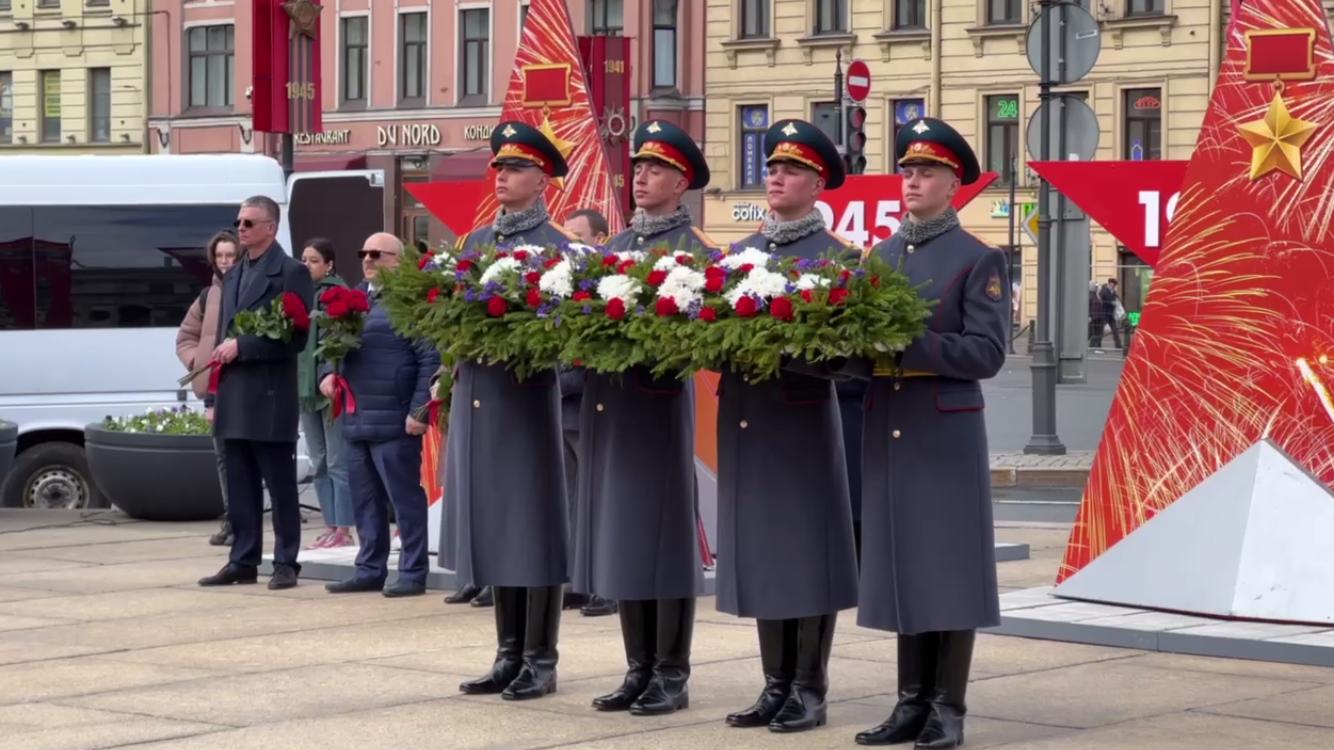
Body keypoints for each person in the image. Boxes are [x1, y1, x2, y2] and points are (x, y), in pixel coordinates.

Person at [854, 117, 1008, 748]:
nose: (912, 180)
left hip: (943, 432)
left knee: (946, 568)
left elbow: (987, 354)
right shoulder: (884, 255)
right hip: (891, 423)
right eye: (907, 171)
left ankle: (949, 707)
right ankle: (910, 701)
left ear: (953, 183)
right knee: (901, 566)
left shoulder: (978, 258)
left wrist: (911, 343)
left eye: (926, 172)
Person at [718, 119, 859, 734]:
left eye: (792, 170)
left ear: (818, 183)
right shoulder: (741, 254)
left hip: (801, 425)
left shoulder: (838, 259)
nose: (776, 177)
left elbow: (852, 357)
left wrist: (795, 351)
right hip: (748, 422)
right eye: (773, 168)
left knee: (807, 556)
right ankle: (774, 684)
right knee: (764, 554)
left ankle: (809, 686)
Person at [570, 120, 715, 716]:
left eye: (655, 170)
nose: (642, 178)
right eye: (639, 168)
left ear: (681, 182)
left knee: (665, 542)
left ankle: (671, 672)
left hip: (656, 410)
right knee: (626, 541)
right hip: (613, 408)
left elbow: (700, 338)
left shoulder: (694, 247)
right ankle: (638, 668)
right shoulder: (617, 247)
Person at [443, 120, 576, 701]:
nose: (501, 176)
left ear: (542, 178)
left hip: (528, 402)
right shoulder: (474, 245)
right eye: (497, 167)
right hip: (480, 397)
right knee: (498, 525)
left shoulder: (558, 249)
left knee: (533, 527)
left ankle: (539, 658)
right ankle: (507, 653)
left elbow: (569, 336)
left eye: (515, 168)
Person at [198, 195, 314, 590]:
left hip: (268, 394)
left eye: (249, 222)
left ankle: (285, 562)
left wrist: (244, 346)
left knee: (279, 486)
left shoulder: (291, 271)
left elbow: (297, 339)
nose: (241, 228)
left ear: (270, 227)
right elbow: (219, 339)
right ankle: (243, 559)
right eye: (238, 222)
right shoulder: (232, 274)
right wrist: (212, 396)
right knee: (240, 481)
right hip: (233, 391)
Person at [323, 232, 440, 598]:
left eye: (377, 253)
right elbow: (332, 345)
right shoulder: (355, 299)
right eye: (364, 252)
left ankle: (412, 571)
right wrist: (327, 371)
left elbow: (429, 359)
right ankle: (369, 568)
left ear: (398, 260)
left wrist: (420, 410)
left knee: (404, 500)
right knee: (366, 500)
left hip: (394, 418)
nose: (368, 259)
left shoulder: (410, 300)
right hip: (357, 417)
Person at [554, 206, 616, 620]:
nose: (570, 242)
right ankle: (579, 580)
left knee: (598, 500)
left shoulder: (606, 282)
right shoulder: (563, 281)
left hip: (592, 405)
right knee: (572, 501)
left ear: (599, 238)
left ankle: (604, 584)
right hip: (562, 407)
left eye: (578, 234)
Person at [176, 231, 238, 546]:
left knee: (243, 458)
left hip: (242, 387)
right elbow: (185, 336)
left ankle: (244, 521)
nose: (225, 261)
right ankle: (231, 520)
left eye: (230, 255)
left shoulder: (247, 289)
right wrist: (196, 363)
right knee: (223, 458)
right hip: (214, 389)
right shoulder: (206, 296)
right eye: (220, 256)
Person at [298, 238, 355, 550]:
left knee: (337, 461)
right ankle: (330, 525)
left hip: (330, 388)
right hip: (304, 389)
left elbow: (337, 342)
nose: (307, 265)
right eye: (304, 259)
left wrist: (329, 374)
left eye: (314, 260)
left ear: (330, 264)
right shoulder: (302, 295)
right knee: (317, 461)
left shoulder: (337, 293)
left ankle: (345, 530)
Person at [1099, 278, 1123, 349]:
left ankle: (1118, 345)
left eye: (1115, 285)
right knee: (1101, 330)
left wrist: (1118, 300)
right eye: (1113, 284)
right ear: (1110, 284)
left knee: (1115, 330)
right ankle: (1096, 344)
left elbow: (1116, 299)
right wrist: (1111, 303)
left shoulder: (1114, 292)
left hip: (1111, 314)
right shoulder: (1104, 291)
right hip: (1104, 313)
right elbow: (1101, 301)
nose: (1114, 286)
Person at [1087, 281, 1104, 347]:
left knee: (1098, 333)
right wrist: (1089, 316)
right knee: (1094, 333)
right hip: (1094, 317)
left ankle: (1097, 345)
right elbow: (1088, 306)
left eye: (1097, 287)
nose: (1097, 287)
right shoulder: (1090, 295)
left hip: (1099, 317)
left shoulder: (1097, 294)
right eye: (1096, 286)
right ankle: (1093, 346)